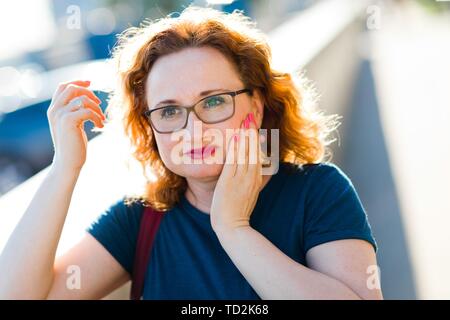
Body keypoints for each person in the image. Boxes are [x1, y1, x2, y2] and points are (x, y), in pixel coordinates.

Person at [0, 6, 382, 300]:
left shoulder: (318, 192)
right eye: (168, 111)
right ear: (149, 126)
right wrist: (64, 168)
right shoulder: (142, 219)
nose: (192, 128)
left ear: (256, 106)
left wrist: (234, 230)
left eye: (214, 102)